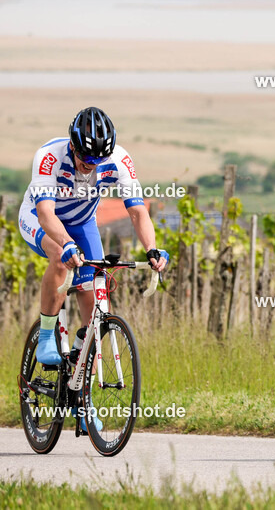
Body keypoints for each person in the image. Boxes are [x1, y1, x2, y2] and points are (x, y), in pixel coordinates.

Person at [18, 107, 168, 430]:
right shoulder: (49, 157)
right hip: (40, 218)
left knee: (97, 306)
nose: (90, 166)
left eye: (97, 161)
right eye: (85, 159)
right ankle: (46, 336)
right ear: (72, 146)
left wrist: (152, 250)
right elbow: (46, 215)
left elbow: (138, 213)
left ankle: (79, 393)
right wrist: (66, 243)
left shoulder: (118, 160)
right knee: (60, 256)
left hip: (83, 223)